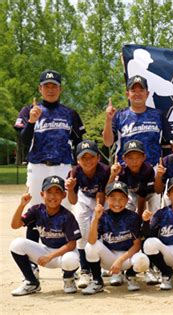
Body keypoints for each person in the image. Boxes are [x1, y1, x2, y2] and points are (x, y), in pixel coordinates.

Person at [14, 70, 85, 270]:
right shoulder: (29, 110)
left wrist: (77, 170)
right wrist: (31, 122)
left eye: (54, 86)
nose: (50, 89)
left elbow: (81, 143)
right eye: (47, 86)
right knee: (35, 214)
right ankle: (33, 264)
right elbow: (23, 141)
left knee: (66, 213)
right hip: (37, 166)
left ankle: (69, 266)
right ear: (40, 88)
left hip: (63, 166)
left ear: (60, 89)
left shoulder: (70, 113)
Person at [9, 176, 81, 296]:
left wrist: (50, 256)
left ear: (64, 195)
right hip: (45, 251)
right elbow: (15, 225)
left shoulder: (67, 216)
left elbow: (72, 244)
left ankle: (68, 278)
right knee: (16, 244)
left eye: (57, 192)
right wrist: (21, 205)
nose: (53, 196)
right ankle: (32, 282)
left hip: (61, 255)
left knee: (71, 259)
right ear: (42, 194)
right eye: (49, 192)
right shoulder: (36, 210)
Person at [82, 181, 150, 295]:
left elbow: (137, 244)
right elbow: (92, 240)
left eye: (121, 198)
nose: (117, 203)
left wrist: (121, 260)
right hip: (109, 258)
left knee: (142, 260)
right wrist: (95, 219)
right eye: (113, 198)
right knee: (90, 247)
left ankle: (130, 275)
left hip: (127, 258)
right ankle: (97, 281)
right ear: (107, 199)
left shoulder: (132, 217)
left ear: (127, 200)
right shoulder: (103, 216)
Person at [65, 140, 110, 289]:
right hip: (82, 198)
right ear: (78, 160)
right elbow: (73, 200)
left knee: (103, 229)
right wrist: (70, 189)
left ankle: (103, 265)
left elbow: (101, 193)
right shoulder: (74, 172)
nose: (88, 160)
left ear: (98, 157)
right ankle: (85, 270)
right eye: (83, 157)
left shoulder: (104, 170)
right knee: (82, 232)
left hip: (100, 198)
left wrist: (98, 210)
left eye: (91, 156)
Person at [103, 74, 172, 167]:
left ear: (147, 94)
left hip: (153, 171)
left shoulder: (158, 115)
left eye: (141, 90)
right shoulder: (119, 115)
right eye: (133, 91)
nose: (137, 94)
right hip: (125, 171)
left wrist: (164, 170)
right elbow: (107, 142)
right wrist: (108, 119)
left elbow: (167, 144)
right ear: (127, 94)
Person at [108, 139, 160, 216]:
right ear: (124, 158)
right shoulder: (121, 171)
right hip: (133, 193)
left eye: (138, 157)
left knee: (154, 206)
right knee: (126, 211)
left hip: (149, 193)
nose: (134, 161)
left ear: (144, 157)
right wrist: (113, 175)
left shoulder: (147, 170)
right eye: (130, 158)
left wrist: (139, 218)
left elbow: (142, 196)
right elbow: (109, 191)